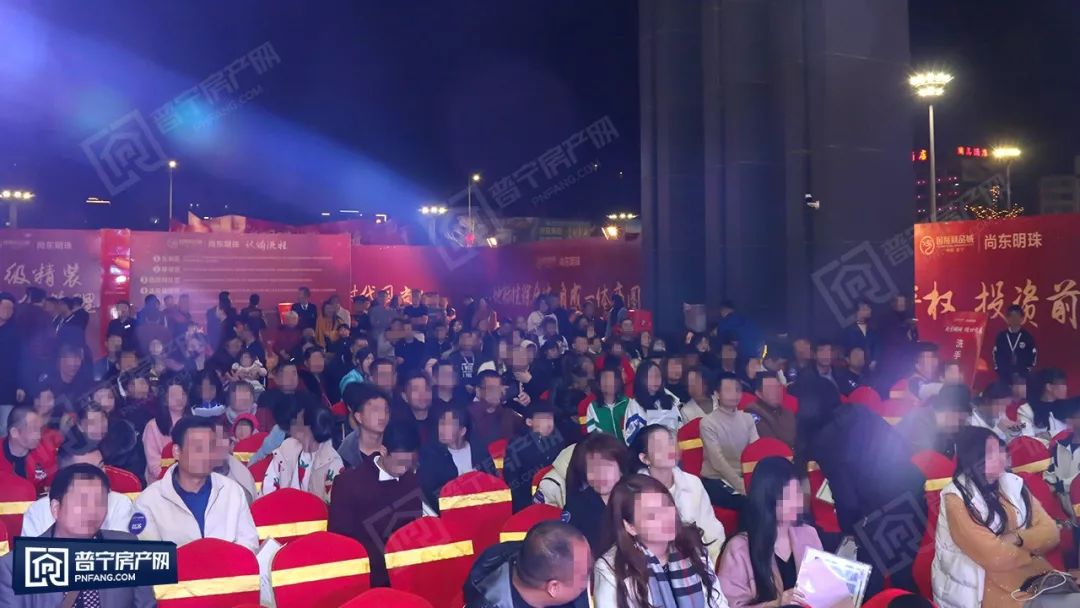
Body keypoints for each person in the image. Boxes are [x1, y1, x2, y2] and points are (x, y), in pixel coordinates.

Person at [795, 375, 925, 595]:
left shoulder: (824, 438)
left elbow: (846, 497)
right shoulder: (859, 410)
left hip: (878, 508)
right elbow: (901, 445)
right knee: (902, 573)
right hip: (911, 493)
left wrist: (850, 529)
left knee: (866, 581)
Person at [932, 426, 1060, 608]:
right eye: (991, 454)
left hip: (1027, 580)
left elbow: (1051, 533)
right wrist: (1031, 552)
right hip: (981, 590)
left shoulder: (1013, 484)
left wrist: (1017, 538)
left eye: (1001, 450)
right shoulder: (956, 497)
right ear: (973, 459)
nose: (1001, 457)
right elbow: (993, 556)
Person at [0, 464, 157, 608]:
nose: (92, 510)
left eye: (100, 501)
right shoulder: (13, 568)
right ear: (56, 508)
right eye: (82, 501)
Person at [593, 474, 728, 608]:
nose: (666, 517)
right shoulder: (610, 569)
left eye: (666, 506)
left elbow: (718, 603)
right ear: (630, 527)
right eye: (652, 515)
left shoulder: (691, 546)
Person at [132, 416, 259, 551]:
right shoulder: (148, 502)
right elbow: (149, 555)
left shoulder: (232, 491)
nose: (206, 455)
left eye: (211, 447)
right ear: (177, 452)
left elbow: (249, 543)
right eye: (198, 448)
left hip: (229, 564)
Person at [716, 456, 822, 607]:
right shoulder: (739, 549)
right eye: (788, 497)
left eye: (798, 492)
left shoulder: (808, 534)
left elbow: (822, 590)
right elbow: (728, 605)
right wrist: (776, 604)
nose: (797, 502)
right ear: (767, 500)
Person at [329, 421, 423, 587]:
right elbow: (341, 542)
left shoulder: (410, 481)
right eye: (400, 463)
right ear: (383, 451)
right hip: (365, 577)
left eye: (408, 464)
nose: (404, 470)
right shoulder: (348, 484)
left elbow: (415, 529)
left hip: (404, 574)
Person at [635, 425, 727, 565]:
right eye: (660, 446)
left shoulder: (692, 483)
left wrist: (713, 565)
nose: (669, 449)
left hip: (699, 561)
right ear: (645, 458)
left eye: (670, 442)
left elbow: (711, 528)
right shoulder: (636, 492)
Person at [464, 520, 593, 608]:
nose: (593, 569)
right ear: (554, 588)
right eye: (585, 573)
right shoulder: (490, 601)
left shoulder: (536, 552)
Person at [22, 440, 134, 536]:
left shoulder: (119, 503)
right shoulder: (38, 511)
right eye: (87, 472)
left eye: (100, 467)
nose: (98, 476)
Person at [418, 404, 497, 510]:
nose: (443, 429)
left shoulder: (480, 451)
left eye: (449, 425)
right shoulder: (431, 457)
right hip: (450, 511)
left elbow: (492, 481)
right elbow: (432, 493)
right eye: (442, 423)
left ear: (462, 431)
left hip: (483, 507)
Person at [262, 401, 343, 503]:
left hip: (316, 513)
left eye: (298, 421)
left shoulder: (332, 461)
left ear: (309, 429)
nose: (294, 425)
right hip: (281, 510)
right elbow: (268, 490)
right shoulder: (286, 449)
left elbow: (333, 503)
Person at [563, 432, 630, 554]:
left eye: (607, 466)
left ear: (621, 469)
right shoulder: (577, 506)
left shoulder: (635, 496)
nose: (600, 475)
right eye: (593, 469)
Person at [700, 375, 758, 511]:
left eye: (737, 390)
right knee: (747, 502)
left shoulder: (747, 418)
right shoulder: (708, 423)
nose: (734, 394)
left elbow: (755, 451)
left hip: (744, 476)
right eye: (728, 390)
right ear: (717, 394)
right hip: (716, 479)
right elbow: (718, 462)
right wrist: (741, 486)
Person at [504, 400, 567, 512]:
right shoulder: (517, 445)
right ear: (529, 422)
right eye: (544, 419)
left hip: (555, 500)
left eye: (551, 418)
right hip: (526, 503)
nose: (549, 423)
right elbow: (512, 479)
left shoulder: (557, 440)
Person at [895, 385, 972, 458]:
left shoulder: (940, 429)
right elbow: (925, 462)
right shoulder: (919, 423)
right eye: (960, 421)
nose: (959, 426)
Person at [143, 378, 190, 483]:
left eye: (182, 394)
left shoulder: (194, 422)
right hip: (161, 482)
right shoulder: (152, 426)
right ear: (164, 400)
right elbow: (154, 465)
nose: (179, 399)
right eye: (174, 395)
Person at [0, 405, 56, 494]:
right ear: (15, 432)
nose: (39, 435)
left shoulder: (47, 453)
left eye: (40, 429)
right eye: (34, 430)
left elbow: (53, 486)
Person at [468, 370, 527, 452]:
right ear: (478, 391)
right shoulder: (467, 416)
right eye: (491, 389)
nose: (496, 393)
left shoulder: (509, 415)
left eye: (498, 388)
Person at [623, 361, 681, 443]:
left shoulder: (670, 401)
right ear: (641, 379)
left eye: (658, 376)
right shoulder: (635, 405)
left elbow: (680, 427)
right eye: (650, 376)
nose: (655, 380)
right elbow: (630, 437)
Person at [338, 382, 390, 468]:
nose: (383, 416)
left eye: (386, 410)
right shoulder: (345, 454)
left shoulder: (396, 445)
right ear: (359, 417)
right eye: (375, 410)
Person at [743, 372, 796, 449]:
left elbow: (793, 438)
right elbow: (769, 441)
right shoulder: (751, 414)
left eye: (778, 387)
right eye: (770, 388)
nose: (776, 391)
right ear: (759, 394)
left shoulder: (788, 413)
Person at [585, 367, 633, 442]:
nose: (609, 383)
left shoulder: (628, 402)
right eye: (605, 379)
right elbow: (592, 434)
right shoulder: (593, 407)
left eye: (612, 379)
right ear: (598, 385)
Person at [1017, 368, 1068, 439]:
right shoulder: (1026, 410)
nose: (1066, 388)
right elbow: (1026, 438)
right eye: (1062, 384)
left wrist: (1050, 434)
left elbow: (1073, 434)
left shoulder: (1067, 408)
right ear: (1049, 387)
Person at [993, 305, 1037, 383]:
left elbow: (1032, 356)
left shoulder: (1027, 337)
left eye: (1017, 316)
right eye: (1011, 316)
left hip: (1023, 377)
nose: (1014, 319)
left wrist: (1025, 372)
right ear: (1007, 319)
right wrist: (1000, 371)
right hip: (1004, 376)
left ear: (1022, 318)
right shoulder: (1001, 337)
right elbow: (996, 355)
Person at [392, 369, 437, 446]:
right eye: (416, 390)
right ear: (405, 397)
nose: (422, 394)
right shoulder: (397, 427)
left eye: (426, 389)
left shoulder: (440, 422)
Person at [840, 299, 877, 370]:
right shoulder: (849, 332)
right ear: (858, 312)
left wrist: (874, 360)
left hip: (872, 369)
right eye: (865, 309)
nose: (869, 311)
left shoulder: (873, 330)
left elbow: (877, 345)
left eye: (869, 308)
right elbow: (845, 351)